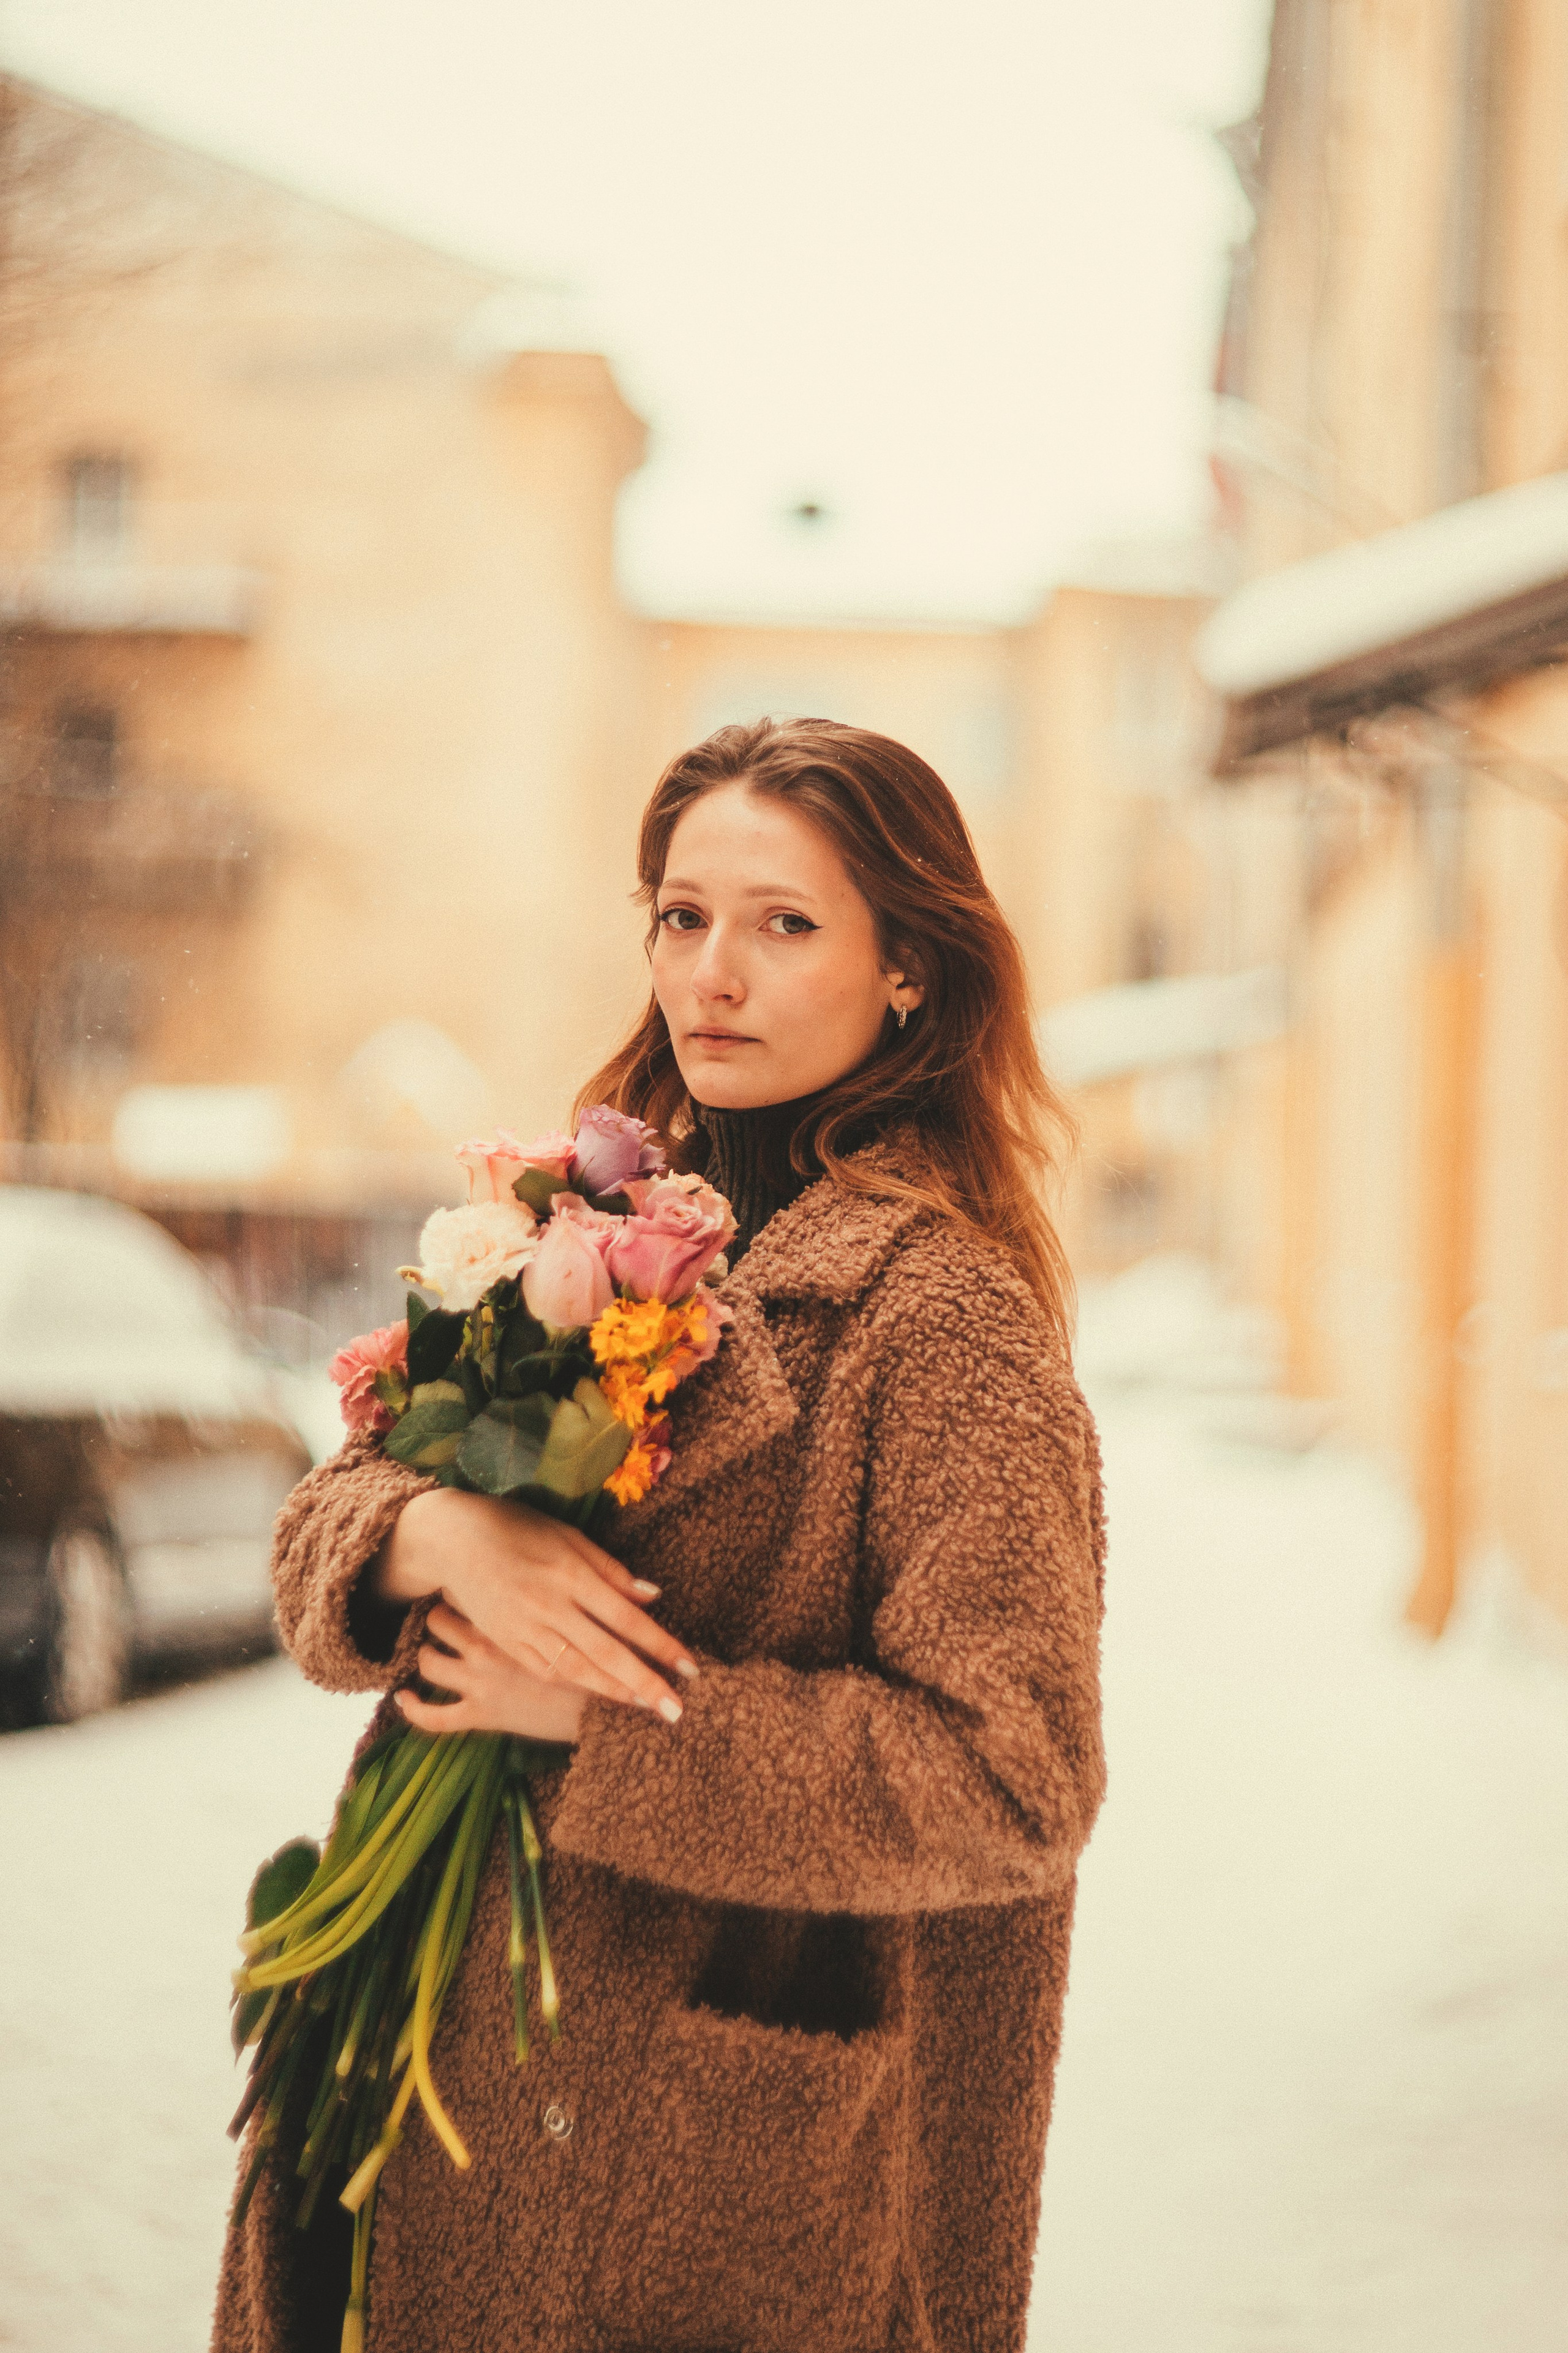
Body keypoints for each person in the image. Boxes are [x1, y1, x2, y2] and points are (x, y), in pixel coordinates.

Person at [213, 716, 1107, 2353]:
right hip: (414, 2061)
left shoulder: (943, 1315)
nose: (714, 971)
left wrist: (607, 1716)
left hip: (706, 2170)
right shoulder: (576, 1220)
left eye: (784, 922)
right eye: (682, 915)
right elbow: (320, 1516)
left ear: (909, 967)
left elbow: (1019, 1776)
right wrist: (432, 1541)